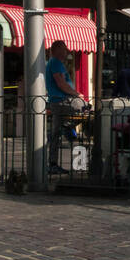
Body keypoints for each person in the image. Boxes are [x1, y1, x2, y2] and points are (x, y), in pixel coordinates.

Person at [45, 40, 77, 175]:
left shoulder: (55, 63)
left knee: (55, 134)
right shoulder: (55, 63)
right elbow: (60, 83)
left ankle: (53, 163)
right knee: (86, 110)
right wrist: (76, 94)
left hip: (59, 100)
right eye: (64, 49)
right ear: (56, 50)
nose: (66, 52)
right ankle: (68, 127)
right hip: (61, 100)